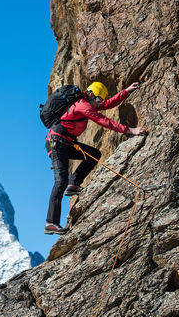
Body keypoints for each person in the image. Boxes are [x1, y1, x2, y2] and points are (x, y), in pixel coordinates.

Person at [44, 81, 146, 235]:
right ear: (91, 94)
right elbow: (104, 121)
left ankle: (74, 184)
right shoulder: (83, 105)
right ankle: (51, 222)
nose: (99, 102)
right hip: (56, 144)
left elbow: (108, 104)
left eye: (99, 100)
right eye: (98, 99)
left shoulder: (88, 102)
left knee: (94, 155)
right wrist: (129, 130)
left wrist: (126, 91)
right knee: (60, 181)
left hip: (65, 143)